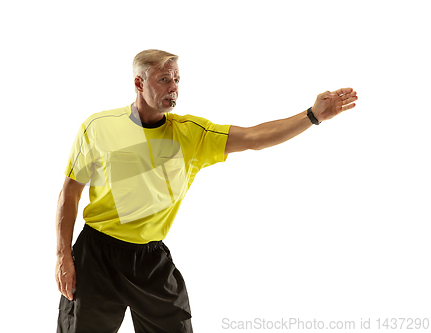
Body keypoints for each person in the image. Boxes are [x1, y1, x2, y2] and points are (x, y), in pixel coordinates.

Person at [55, 49, 358, 333]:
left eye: (176, 79)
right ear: (139, 82)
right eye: (164, 79)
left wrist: (312, 116)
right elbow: (70, 192)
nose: (173, 87)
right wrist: (63, 256)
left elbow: (254, 137)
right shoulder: (98, 127)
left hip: (149, 258)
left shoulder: (191, 134)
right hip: (96, 255)